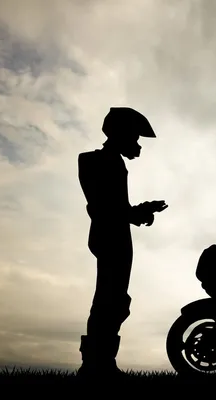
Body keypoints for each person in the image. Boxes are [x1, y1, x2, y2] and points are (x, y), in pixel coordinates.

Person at [77, 107, 168, 377]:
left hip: (114, 237)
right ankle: (96, 366)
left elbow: (115, 207)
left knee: (114, 301)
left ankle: (101, 363)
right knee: (109, 301)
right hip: (110, 238)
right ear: (121, 134)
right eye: (135, 138)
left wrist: (140, 211)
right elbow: (104, 208)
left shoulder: (111, 162)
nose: (138, 145)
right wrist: (137, 212)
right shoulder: (99, 162)